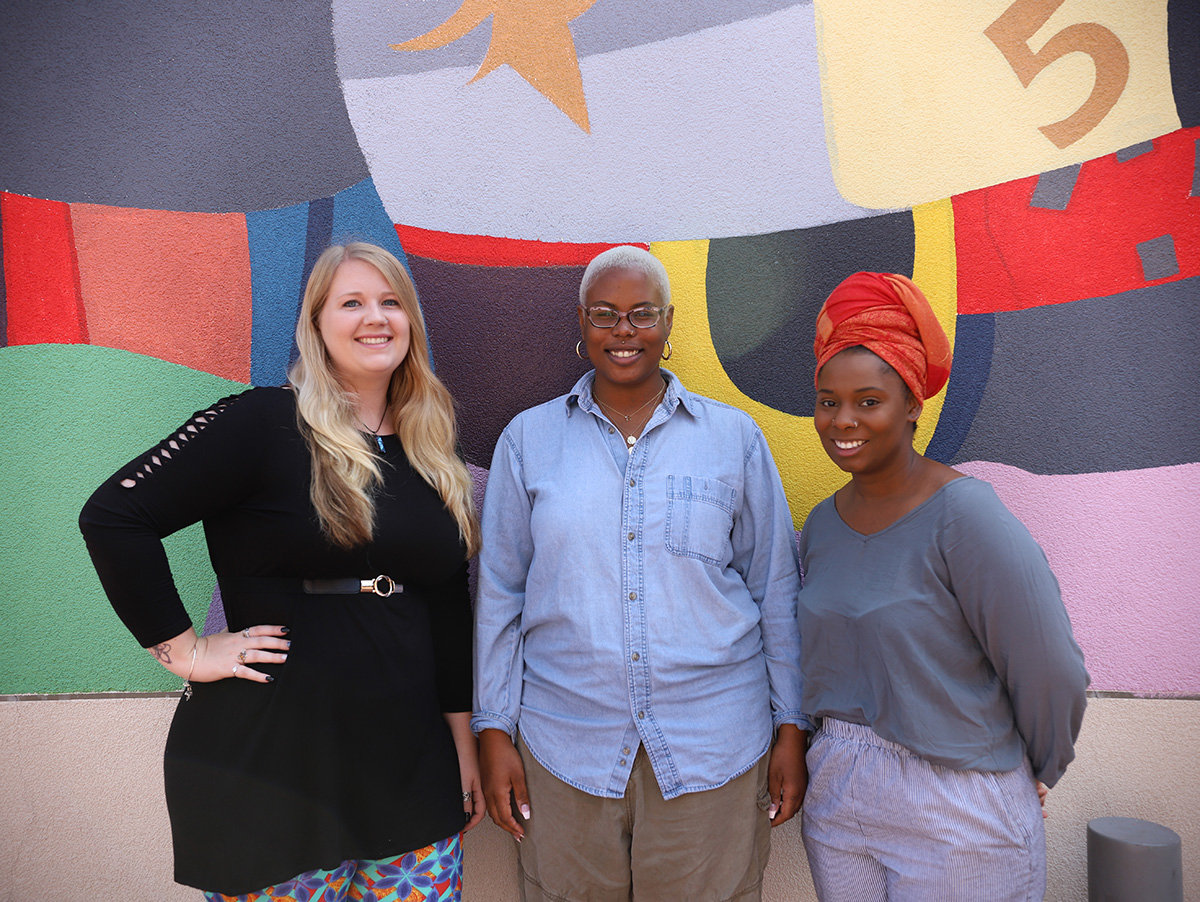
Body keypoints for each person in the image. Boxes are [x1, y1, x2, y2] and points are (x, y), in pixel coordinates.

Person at [80, 242, 484, 901]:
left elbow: (445, 604)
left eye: (390, 303)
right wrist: (185, 650)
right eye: (351, 303)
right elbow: (113, 516)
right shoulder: (261, 422)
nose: (375, 317)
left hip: (410, 774)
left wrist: (460, 742)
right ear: (316, 326)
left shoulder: (431, 447)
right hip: (274, 774)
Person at [473, 245, 808, 902]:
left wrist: (790, 728)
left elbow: (775, 588)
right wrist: (493, 730)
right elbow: (500, 596)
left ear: (668, 322)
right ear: (581, 323)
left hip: (716, 750)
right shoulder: (528, 441)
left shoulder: (733, 439)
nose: (623, 331)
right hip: (565, 749)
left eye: (641, 314)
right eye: (605, 314)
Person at [797, 271, 1089, 901]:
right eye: (827, 400)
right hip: (840, 794)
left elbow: (1049, 666)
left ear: (912, 405)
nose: (842, 420)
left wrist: (1036, 766)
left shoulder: (967, 515)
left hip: (956, 797)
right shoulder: (820, 526)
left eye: (868, 401)